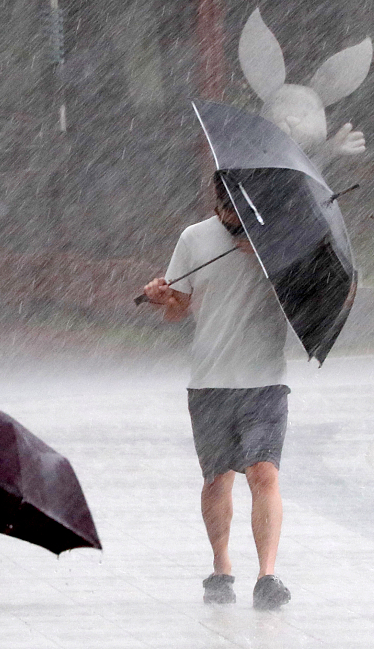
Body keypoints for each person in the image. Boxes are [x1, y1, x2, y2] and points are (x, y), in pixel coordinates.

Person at [143, 173, 291, 611]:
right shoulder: (194, 239)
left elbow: (306, 292)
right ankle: (221, 565)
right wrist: (162, 297)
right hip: (209, 378)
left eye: (245, 211)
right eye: (230, 212)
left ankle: (267, 575)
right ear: (217, 206)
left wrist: (269, 255)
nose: (237, 220)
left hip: (265, 378)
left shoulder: (279, 238)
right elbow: (177, 312)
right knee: (216, 478)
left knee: (264, 473)